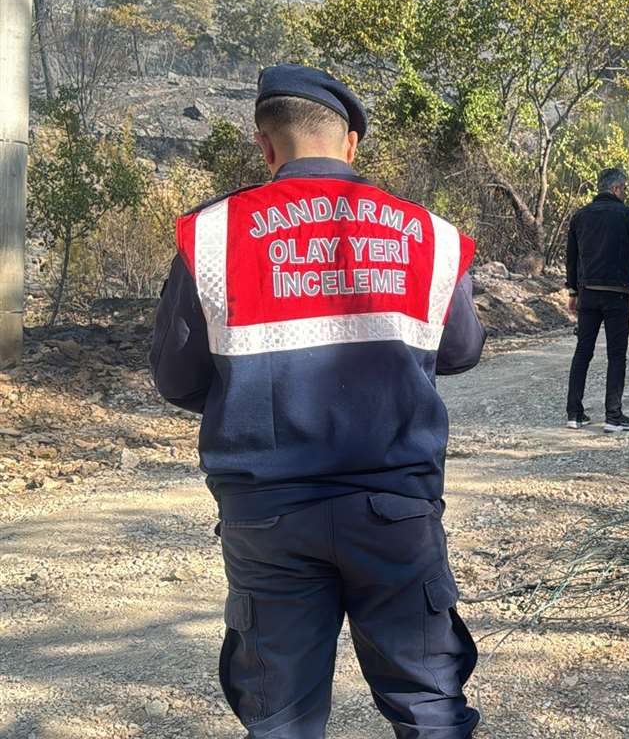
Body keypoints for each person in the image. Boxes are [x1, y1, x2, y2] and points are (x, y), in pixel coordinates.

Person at [149, 64, 484, 739]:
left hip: (267, 518)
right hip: (396, 513)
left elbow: (177, 379)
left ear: (264, 145)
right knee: (428, 707)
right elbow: (460, 350)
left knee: (281, 717)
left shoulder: (211, 236)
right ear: (352, 143)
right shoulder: (428, 235)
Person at [564, 167, 629, 432]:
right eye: (625, 188)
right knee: (616, 355)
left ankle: (574, 414)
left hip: (587, 292)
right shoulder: (627, 214)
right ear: (617, 188)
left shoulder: (580, 216)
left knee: (583, 352)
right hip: (617, 292)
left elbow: (571, 257)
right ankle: (613, 416)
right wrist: (623, 265)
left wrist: (573, 291)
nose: (625, 193)